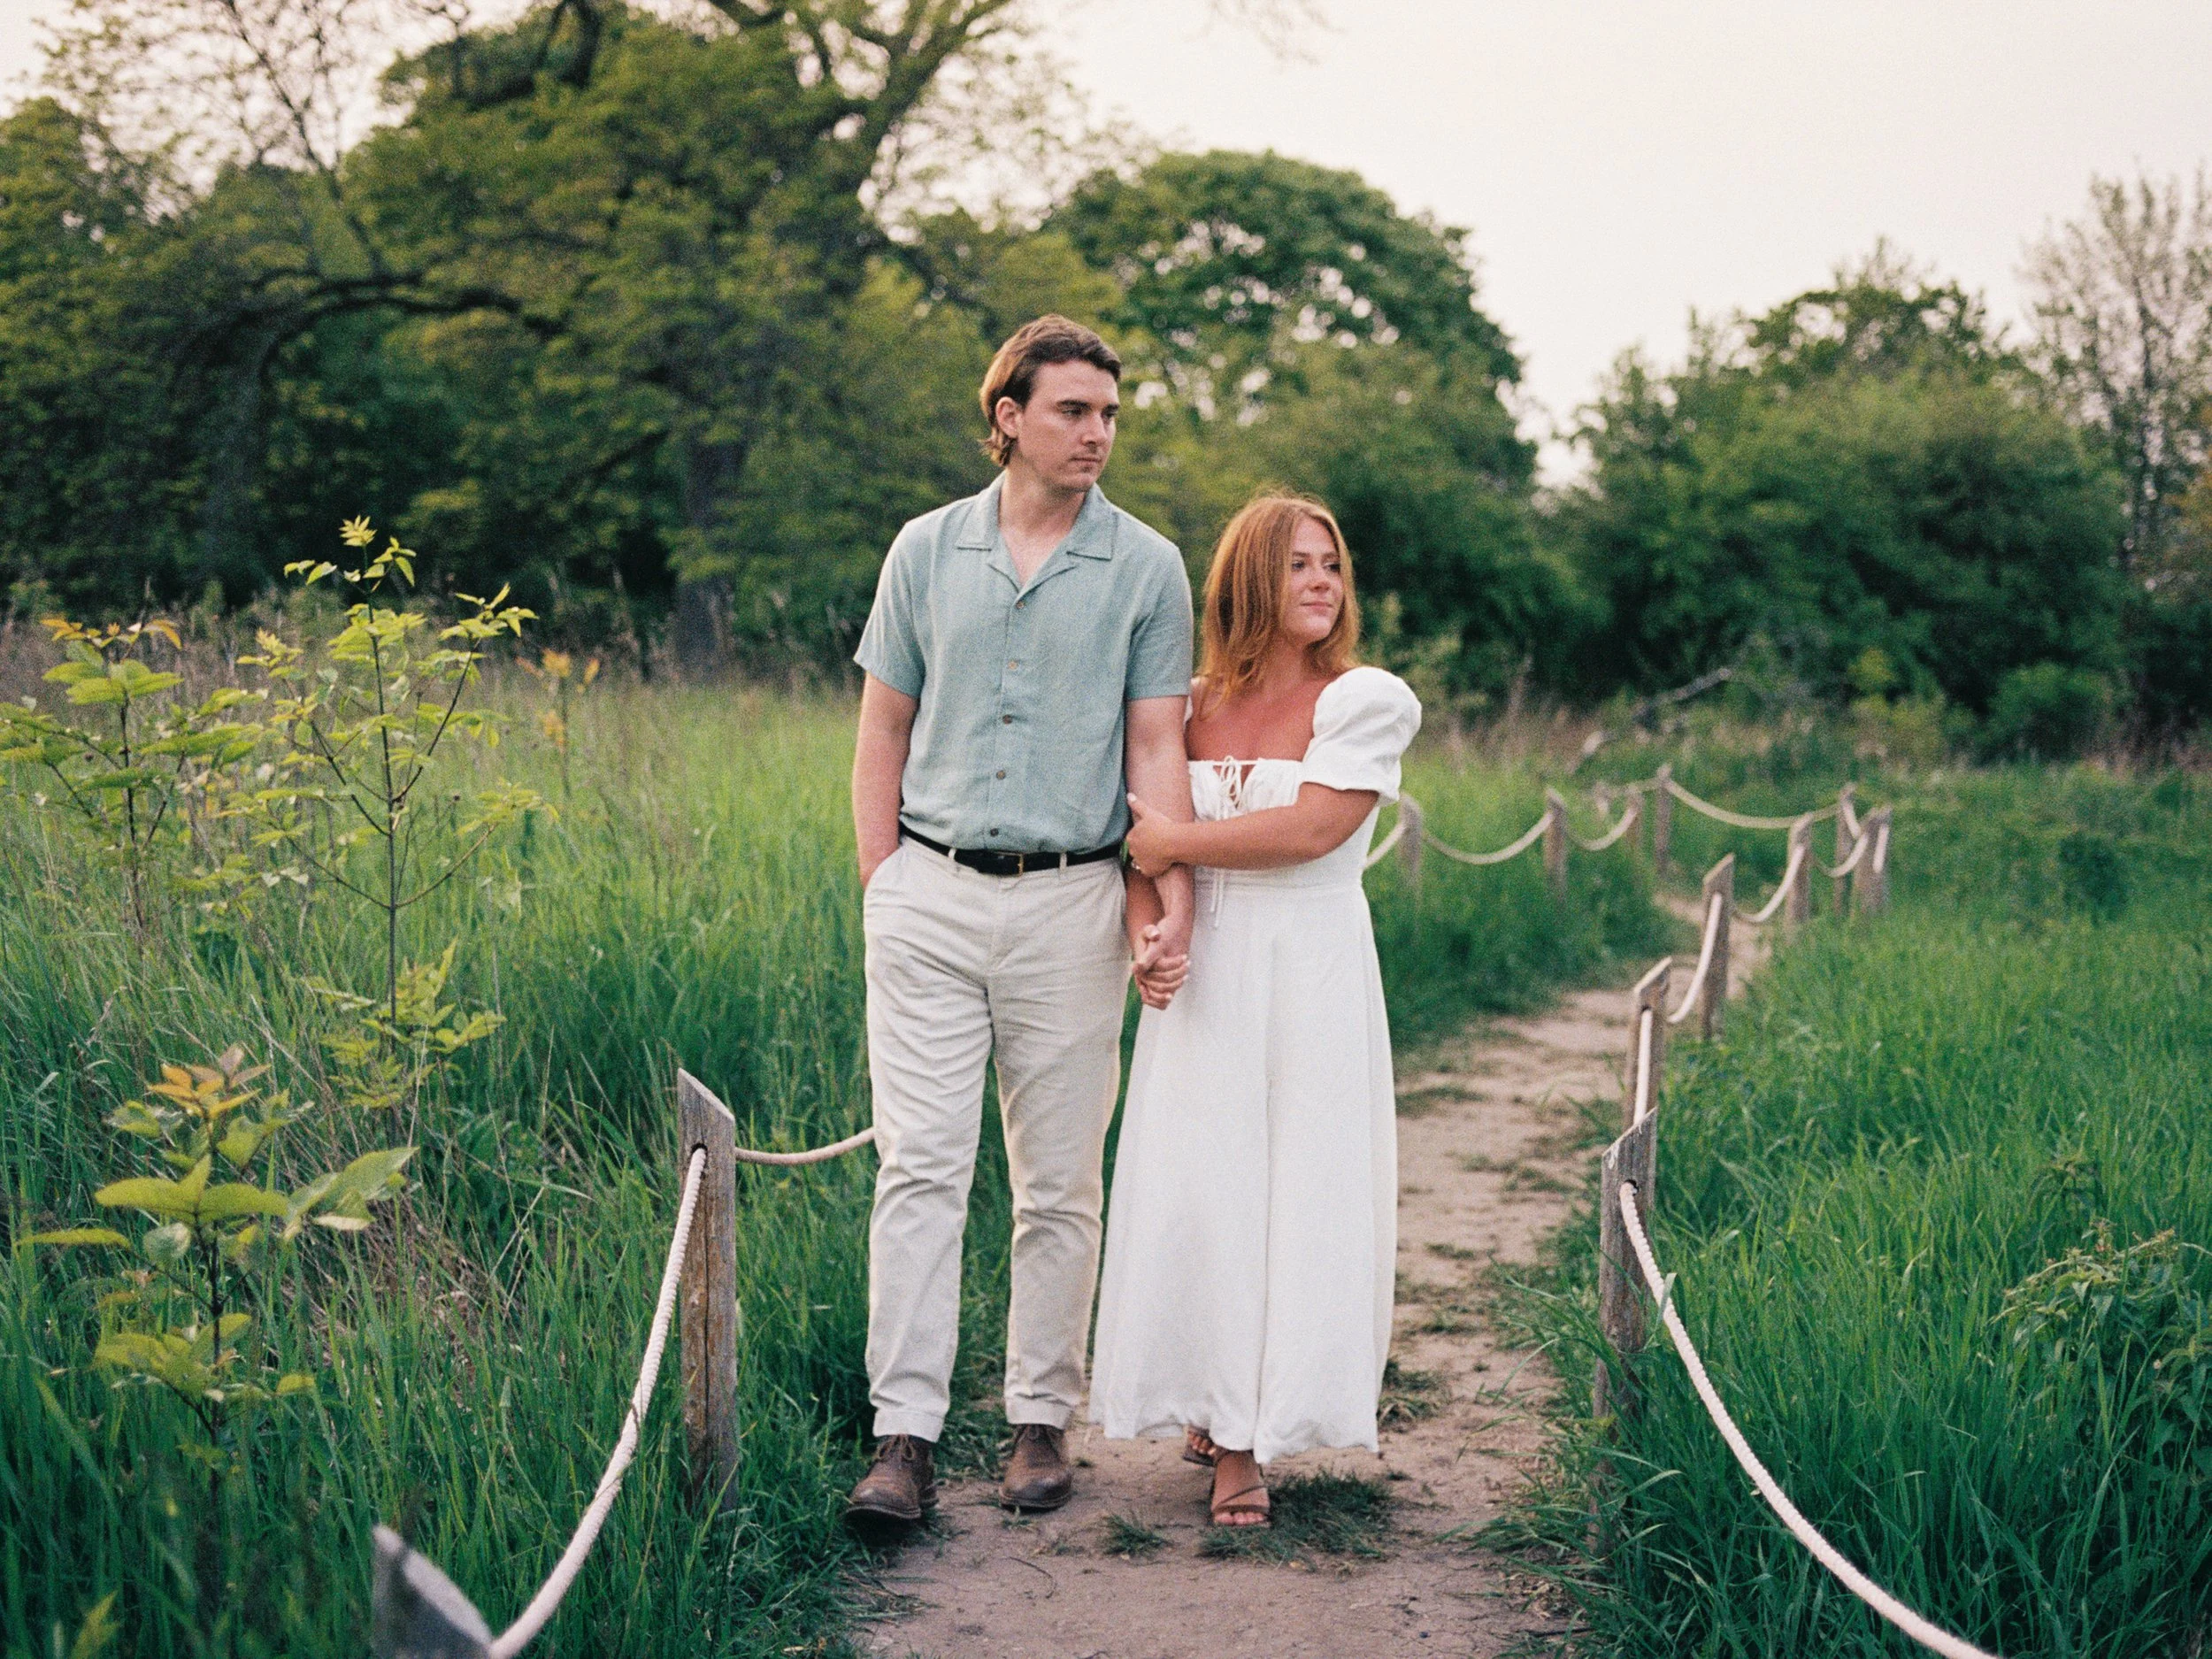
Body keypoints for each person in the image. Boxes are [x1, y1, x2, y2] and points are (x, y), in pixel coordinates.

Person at [842, 315, 1197, 1527]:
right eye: (1072, 410)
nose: (1096, 433)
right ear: (1009, 415)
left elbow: (1157, 743)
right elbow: (883, 725)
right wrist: (883, 880)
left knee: (1056, 1183)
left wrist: (1172, 898)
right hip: (930, 893)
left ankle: (1041, 1419)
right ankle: (905, 1434)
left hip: (1072, 898)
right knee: (921, 1166)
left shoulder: (1147, 566)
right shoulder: (923, 550)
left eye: (1108, 414)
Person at [1090, 493, 1421, 1527]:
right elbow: (1142, 832)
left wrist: (1172, 851)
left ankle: (1251, 1439)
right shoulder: (1182, 706)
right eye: (1297, 566)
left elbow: (1313, 829)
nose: (1323, 582)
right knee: (1204, 1186)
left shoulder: (1364, 697)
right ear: (1246, 583)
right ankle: (1213, 1400)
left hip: (1311, 963)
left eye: (1332, 564)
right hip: (1207, 973)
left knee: (1297, 1187)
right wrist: (1153, 929)